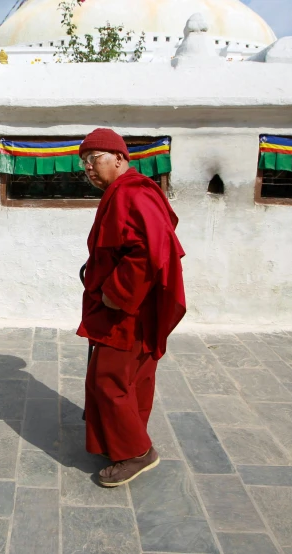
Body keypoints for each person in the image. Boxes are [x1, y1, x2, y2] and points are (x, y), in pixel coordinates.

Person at [77, 128, 186, 487]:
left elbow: (149, 250)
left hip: (127, 310)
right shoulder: (124, 191)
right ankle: (119, 439)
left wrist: (116, 293)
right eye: (84, 163)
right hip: (135, 307)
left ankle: (137, 453)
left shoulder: (132, 192)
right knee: (133, 378)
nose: (89, 168)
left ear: (120, 159)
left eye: (94, 159)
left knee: (109, 381)